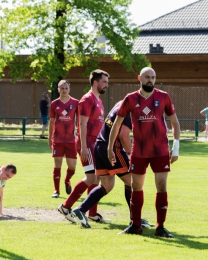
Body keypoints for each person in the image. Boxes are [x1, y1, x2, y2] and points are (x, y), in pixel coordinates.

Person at [107, 67, 180, 238]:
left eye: (153, 77)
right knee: (136, 186)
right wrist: (109, 148)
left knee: (161, 185)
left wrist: (175, 148)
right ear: (139, 78)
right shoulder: (130, 99)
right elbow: (116, 125)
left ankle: (160, 227)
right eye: (147, 77)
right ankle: (135, 225)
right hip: (139, 150)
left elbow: (175, 122)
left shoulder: (164, 97)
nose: (150, 80)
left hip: (160, 150)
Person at [71, 102, 154, 229]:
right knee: (133, 182)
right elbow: (123, 135)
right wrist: (131, 154)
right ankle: (135, 219)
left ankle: (81, 210)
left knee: (107, 185)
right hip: (112, 148)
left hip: (99, 145)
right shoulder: (131, 108)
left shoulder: (120, 104)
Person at [58, 69, 109, 223]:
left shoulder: (99, 100)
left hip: (96, 144)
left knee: (97, 178)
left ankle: (92, 214)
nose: (107, 85)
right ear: (95, 82)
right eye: (104, 81)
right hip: (87, 143)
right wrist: (84, 147)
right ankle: (65, 207)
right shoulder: (87, 99)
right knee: (91, 177)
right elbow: (82, 123)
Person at [48, 80, 79, 198]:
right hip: (58, 140)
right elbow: (51, 122)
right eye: (62, 88)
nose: (64, 90)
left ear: (69, 89)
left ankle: (67, 180)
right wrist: (49, 138)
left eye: (66, 88)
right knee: (57, 164)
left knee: (72, 167)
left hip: (71, 140)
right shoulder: (54, 104)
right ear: (58, 89)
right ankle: (56, 190)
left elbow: (80, 121)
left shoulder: (76, 102)